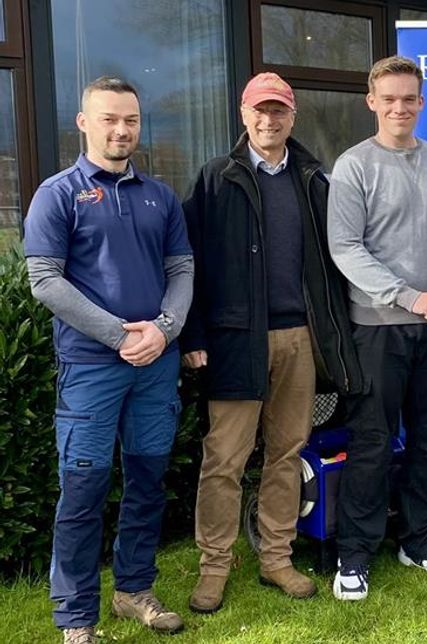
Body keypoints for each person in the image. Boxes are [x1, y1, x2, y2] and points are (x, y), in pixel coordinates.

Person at [181, 72, 363, 613]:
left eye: (278, 110)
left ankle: (276, 559)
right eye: (260, 110)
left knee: (286, 454)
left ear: (293, 115)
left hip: (299, 340)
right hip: (236, 341)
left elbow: (336, 265)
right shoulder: (217, 178)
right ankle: (214, 567)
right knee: (224, 459)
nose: (269, 120)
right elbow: (186, 262)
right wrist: (191, 335)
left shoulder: (314, 180)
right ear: (243, 114)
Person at [23, 76, 193, 644]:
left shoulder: (160, 196)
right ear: (83, 122)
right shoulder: (57, 193)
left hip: (155, 364)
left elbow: (181, 270)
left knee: (146, 481)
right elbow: (44, 280)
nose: (122, 130)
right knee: (84, 489)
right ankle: (76, 618)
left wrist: (165, 330)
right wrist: (120, 335)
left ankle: (133, 591)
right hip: (91, 368)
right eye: (109, 119)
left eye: (131, 120)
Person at [327, 55, 427, 601]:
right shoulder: (354, 165)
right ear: (371, 102)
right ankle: (355, 555)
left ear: (421, 102)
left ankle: (422, 542)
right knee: (373, 440)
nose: (399, 107)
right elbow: (345, 247)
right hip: (380, 326)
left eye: (409, 98)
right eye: (389, 98)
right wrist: (408, 295)